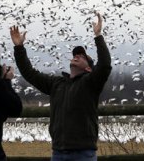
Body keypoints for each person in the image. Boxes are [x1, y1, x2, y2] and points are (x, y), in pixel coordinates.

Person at [10, 13, 111, 161]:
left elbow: (105, 65)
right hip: (58, 153)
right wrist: (19, 47)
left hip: (83, 154)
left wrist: (98, 36)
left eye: (83, 57)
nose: (77, 56)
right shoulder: (57, 84)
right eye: (76, 55)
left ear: (89, 69)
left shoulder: (90, 83)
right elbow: (29, 73)